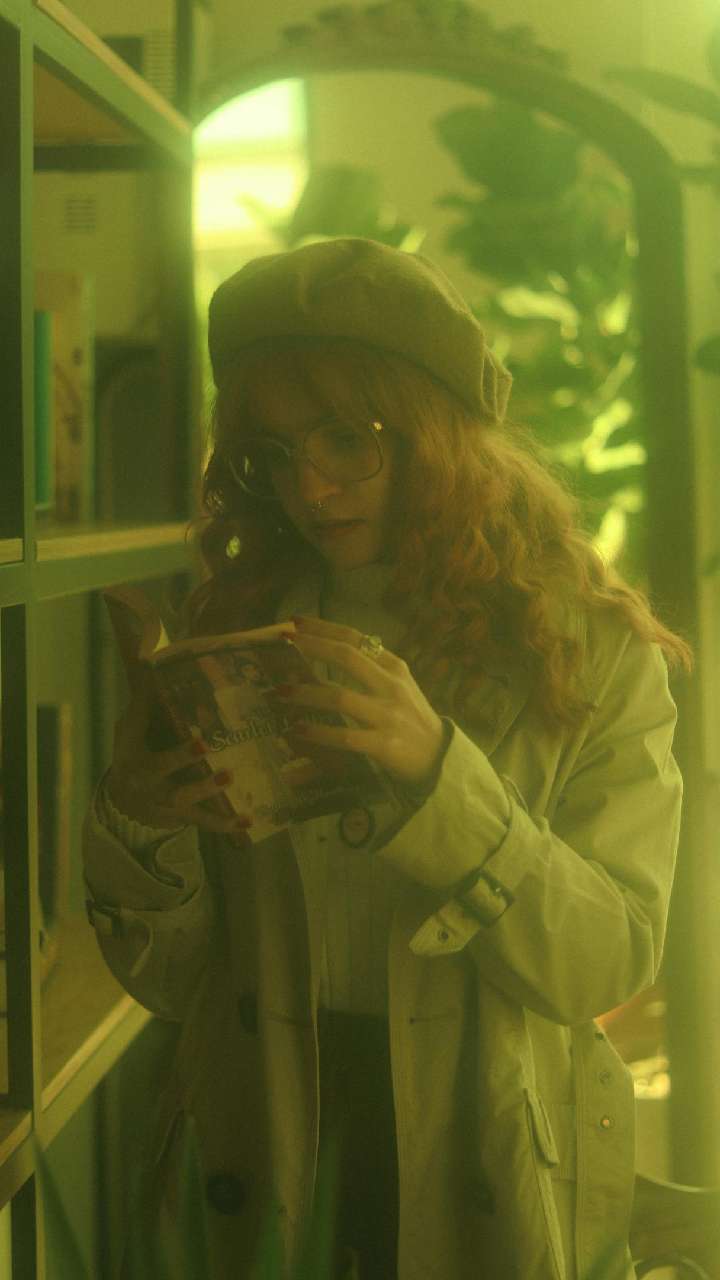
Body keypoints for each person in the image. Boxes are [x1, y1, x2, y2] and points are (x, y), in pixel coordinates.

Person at [82, 237, 689, 1280]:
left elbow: (609, 960)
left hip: (485, 1151)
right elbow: (180, 985)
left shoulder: (587, 650)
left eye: (346, 438)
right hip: (267, 1145)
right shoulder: (241, 628)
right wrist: (142, 825)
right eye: (274, 453)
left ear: (437, 434)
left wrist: (441, 776)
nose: (310, 486)